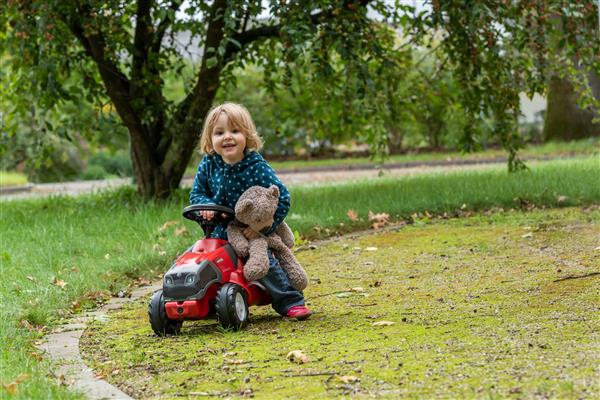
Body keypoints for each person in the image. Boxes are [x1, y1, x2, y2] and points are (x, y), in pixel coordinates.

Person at [189, 102, 312, 320]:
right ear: (210, 139)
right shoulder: (208, 164)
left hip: (253, 232)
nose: (227, 137)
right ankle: (201, 300)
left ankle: (290, 300)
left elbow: (281, 198)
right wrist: (205, 207)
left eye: (234, 131)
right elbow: (197, 195)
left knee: (265, 262)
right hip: (218, 233)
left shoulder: (256, 166)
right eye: (219, 133)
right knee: (195, 259)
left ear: (247, 135)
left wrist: (260, 229)